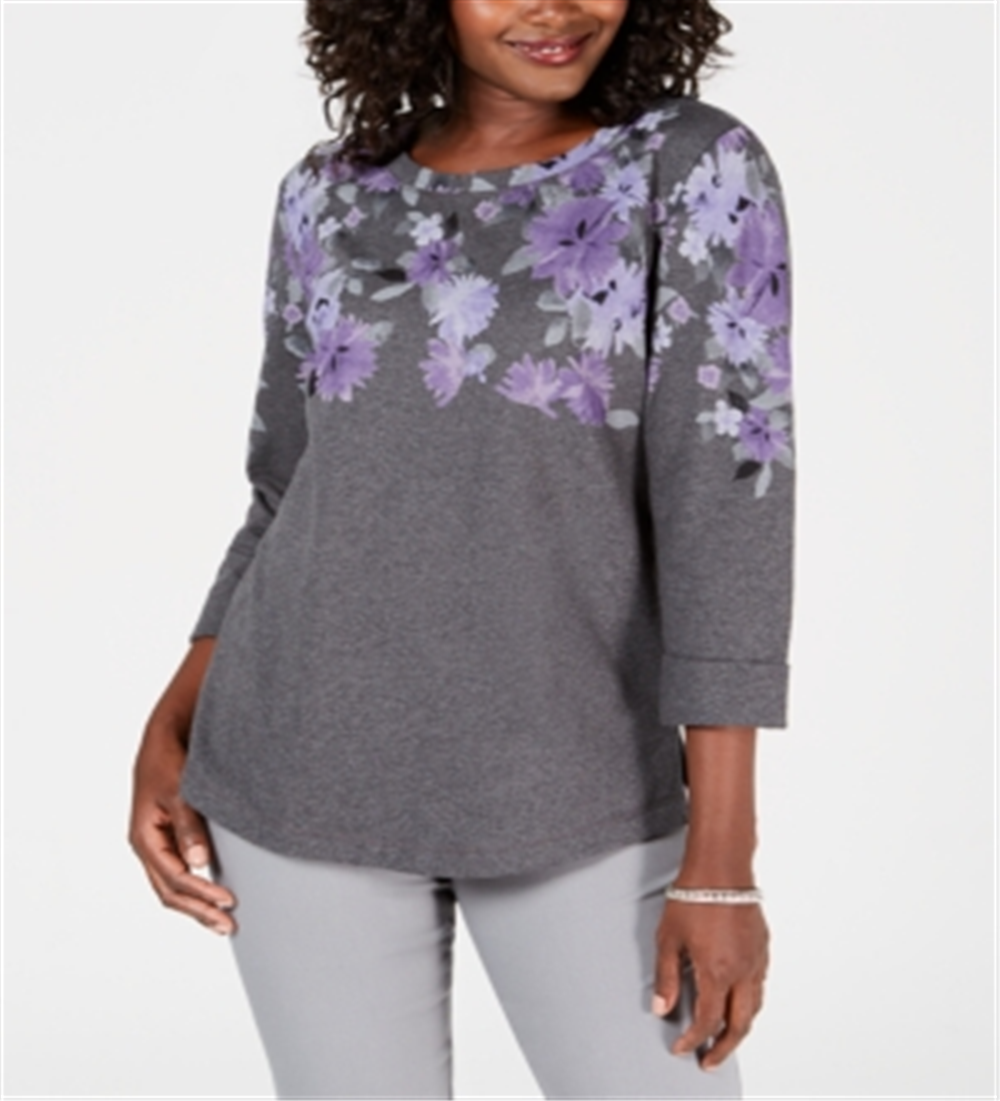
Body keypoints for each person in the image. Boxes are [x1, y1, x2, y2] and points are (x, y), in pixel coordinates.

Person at [129, 0, 795, 1096]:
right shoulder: (327, 193)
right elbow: (287, 484)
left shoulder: (690, 167)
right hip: (298, 770)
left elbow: (728, 502)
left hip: (579, 781)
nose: (557, 7)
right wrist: (174, 720)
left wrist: (721, 866)